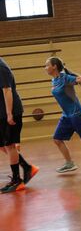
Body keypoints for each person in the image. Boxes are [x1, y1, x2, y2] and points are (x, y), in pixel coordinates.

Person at [0, 57, 39, 194]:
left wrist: (9, 113)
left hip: (10, 112)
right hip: (2, 113)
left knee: (9, 145)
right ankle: (27, 167)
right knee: (3, 145)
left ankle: (17, 181)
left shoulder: (1, 67)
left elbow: (7, 91)